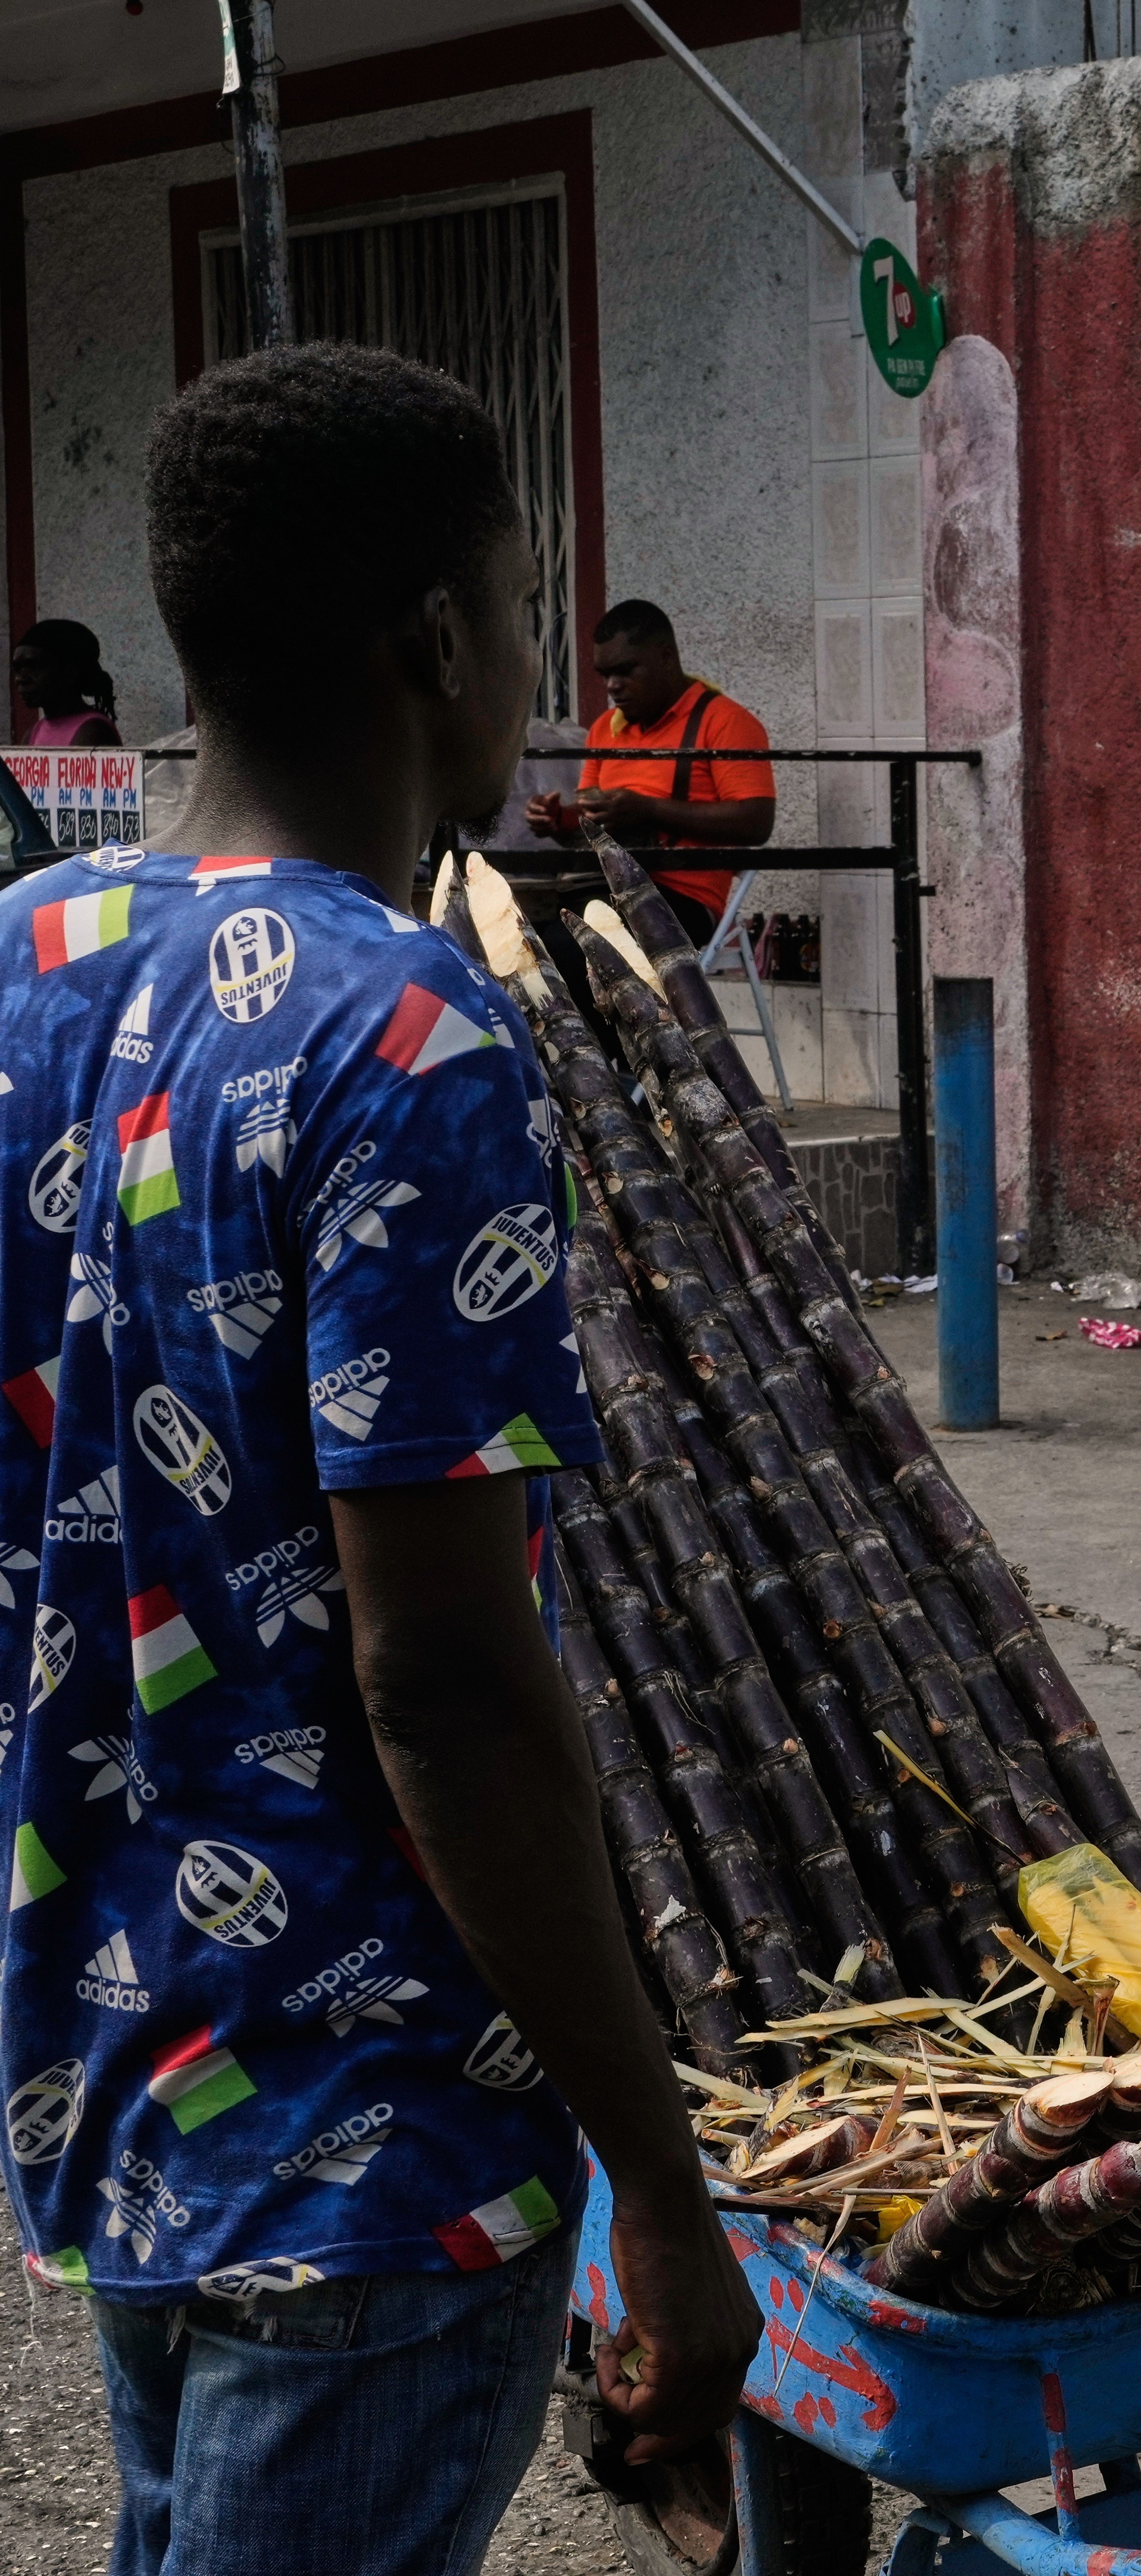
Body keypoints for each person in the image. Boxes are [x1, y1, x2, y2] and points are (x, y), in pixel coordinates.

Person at [0, 344, 758, 2573]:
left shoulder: (21, 962)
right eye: (527, 609)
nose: (537, 665)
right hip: (372, 2130)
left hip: (104, 2063)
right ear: (440, 636)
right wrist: (666, 2187)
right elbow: (446, 1681)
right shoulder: (409, 1029)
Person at [521, 599, 773, 947]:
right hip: (602, 888)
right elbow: (588, 822)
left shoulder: (725, 721)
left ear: (666, 657)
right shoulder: (604, 729)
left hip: (683, 900)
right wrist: (557, 819)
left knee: (569, 949)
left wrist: (648, 809)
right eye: (606, 675)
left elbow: (757, 822)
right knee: (525, 941)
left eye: (626, 671)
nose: (613, 686)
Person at [11, 617, 121, 745]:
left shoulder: (92, 731)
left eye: (34, 667)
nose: (21, 679)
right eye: (17, 669)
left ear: (70, 673)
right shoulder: (33, 734)